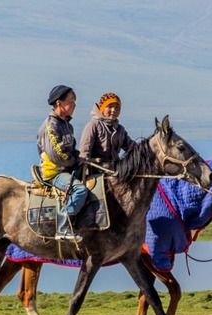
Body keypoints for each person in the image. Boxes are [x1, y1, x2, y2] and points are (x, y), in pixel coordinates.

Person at [37, 85, 88, 242]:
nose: (74, 105)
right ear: (59, 103)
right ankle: (63, 226)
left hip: (67, 168)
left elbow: (71, 149)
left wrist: (79, 158)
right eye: (71, 101)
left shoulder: (67, 125)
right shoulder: (50, 125)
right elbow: (57, 154)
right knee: (79, 190)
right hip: (55, 172)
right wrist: (73, 161)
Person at [79, 92, 137, 172]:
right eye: (109, 107)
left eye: (117, 107)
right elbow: (84, 152)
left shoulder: (120, 130)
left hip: (115, 170)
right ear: (102, 108)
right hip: (95, 171)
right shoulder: (93, 125)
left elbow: (133, 148)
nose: (113, 110)